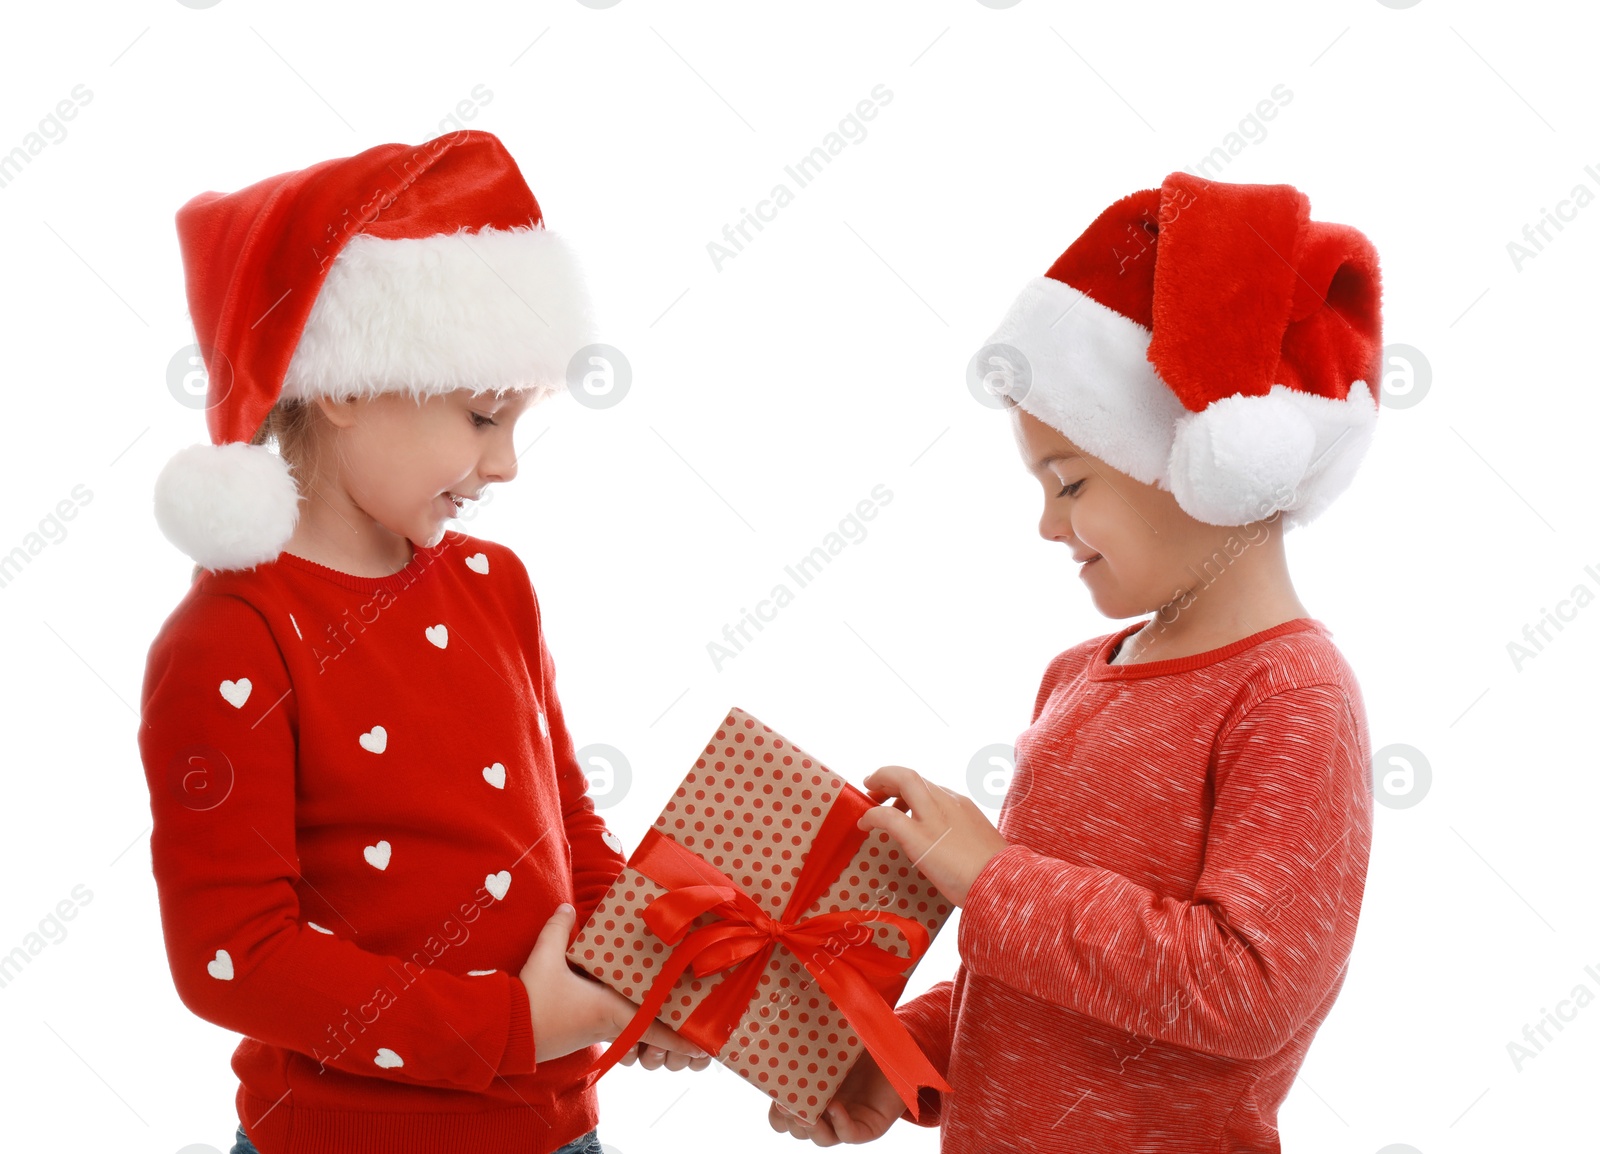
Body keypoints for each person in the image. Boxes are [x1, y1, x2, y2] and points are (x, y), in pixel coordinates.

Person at [767, 171, 1383, 1151]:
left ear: (1200, 465)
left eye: (1070, 481)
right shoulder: (1075, 675)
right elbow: (1032, 977)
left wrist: (991, 873)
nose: (1046, 522)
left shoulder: (1290, 693)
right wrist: (901, 1053)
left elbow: (1247, 987)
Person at [138, 130, 706, 1154]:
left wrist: (641, 968)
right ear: (351, 384)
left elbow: (563, 825)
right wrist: (510, 1026)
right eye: (484, 416)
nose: (508, 463)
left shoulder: (498, 585)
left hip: (555, 1127)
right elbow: (232, 952)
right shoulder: (233, 638)